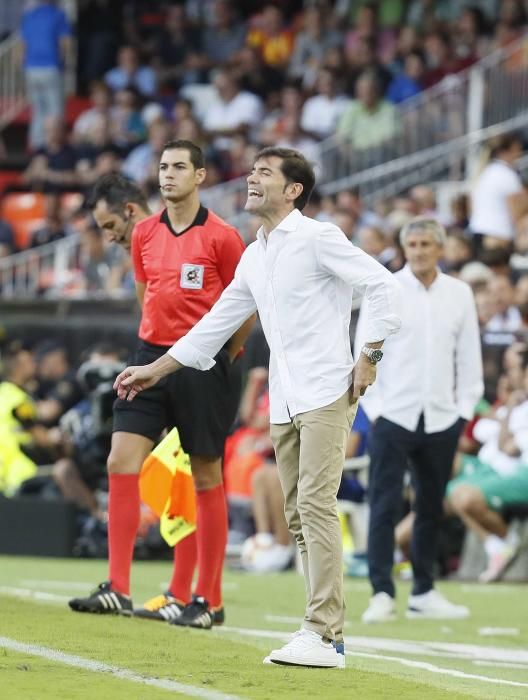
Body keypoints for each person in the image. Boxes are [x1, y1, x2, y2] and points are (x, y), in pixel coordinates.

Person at [113, 146, 402, 668]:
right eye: (252, 171)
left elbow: (382, 284)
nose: (251, 179)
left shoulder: (318, 238)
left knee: (314, 507)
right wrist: (155, 370)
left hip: (326, 390)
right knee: (296, 514)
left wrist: (371, 354)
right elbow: (217, 324)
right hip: (286, 396)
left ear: (293, 190)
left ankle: (324, 633)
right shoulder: (256, 253)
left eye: (264, 173)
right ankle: (322, 633)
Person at [69, 141, 255, 628]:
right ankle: (118, 587)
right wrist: (153, 348)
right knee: (121, 460)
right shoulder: (144, 235)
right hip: (150, 357)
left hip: (204, 362)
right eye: (163, 167)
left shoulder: (223, 237)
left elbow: (244, 305)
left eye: (178, 168)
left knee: (206, 475)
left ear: (200, 176)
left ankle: (207, 600)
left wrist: (225, 355)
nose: (168, 175)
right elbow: (144, 295)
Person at [356, 216, 484, 624]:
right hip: (393, 412)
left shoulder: (459, 293)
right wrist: (374, 408)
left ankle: (424, 590)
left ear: (440, 248)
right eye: (412, 244)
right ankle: (381, 591)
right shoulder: (386, 288)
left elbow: (468, 355)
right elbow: (367, 349)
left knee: (430, 505)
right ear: (404, 247)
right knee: (384, 503)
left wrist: (463, 409)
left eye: (427, 244)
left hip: (442, 416)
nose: (419, 251)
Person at [19, 0, 72, 149]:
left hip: (31, 67)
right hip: (51, 65)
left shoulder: (30, 14)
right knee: (55, 109)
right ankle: (55, 146)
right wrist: (63, 63)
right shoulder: (58, 14)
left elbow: (23, 44)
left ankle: (38, 145)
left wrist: (24, 65)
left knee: (38, 111)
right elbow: (64, 42)